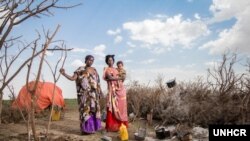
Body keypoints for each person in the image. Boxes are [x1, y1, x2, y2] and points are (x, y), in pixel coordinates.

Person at [59, 55, 102, 134]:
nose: (90, 61)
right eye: (89, 60)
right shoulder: (80, 69)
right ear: (85, 60)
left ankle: (92, 129)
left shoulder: (94, 70)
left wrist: (100, 92)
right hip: (84, 95)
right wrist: (64, 73)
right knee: (85, 111)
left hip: (94, 95)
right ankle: (85, 130)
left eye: (92, 60)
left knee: (93, 111)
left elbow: (98, 82)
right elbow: (73, 78)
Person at [103, 55, 128, 132]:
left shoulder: (117, 69)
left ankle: (120, 125)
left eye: (111, 60)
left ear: (113, 61)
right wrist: (120, 78)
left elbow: (123, 77)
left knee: (121, 107)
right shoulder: (106, 69)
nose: (110, 61)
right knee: (112, 106)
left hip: (120, 90)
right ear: (107, 61)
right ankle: (112, 126)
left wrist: (121, 79)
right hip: (112, 91)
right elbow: (110, 78)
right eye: (109, 60)